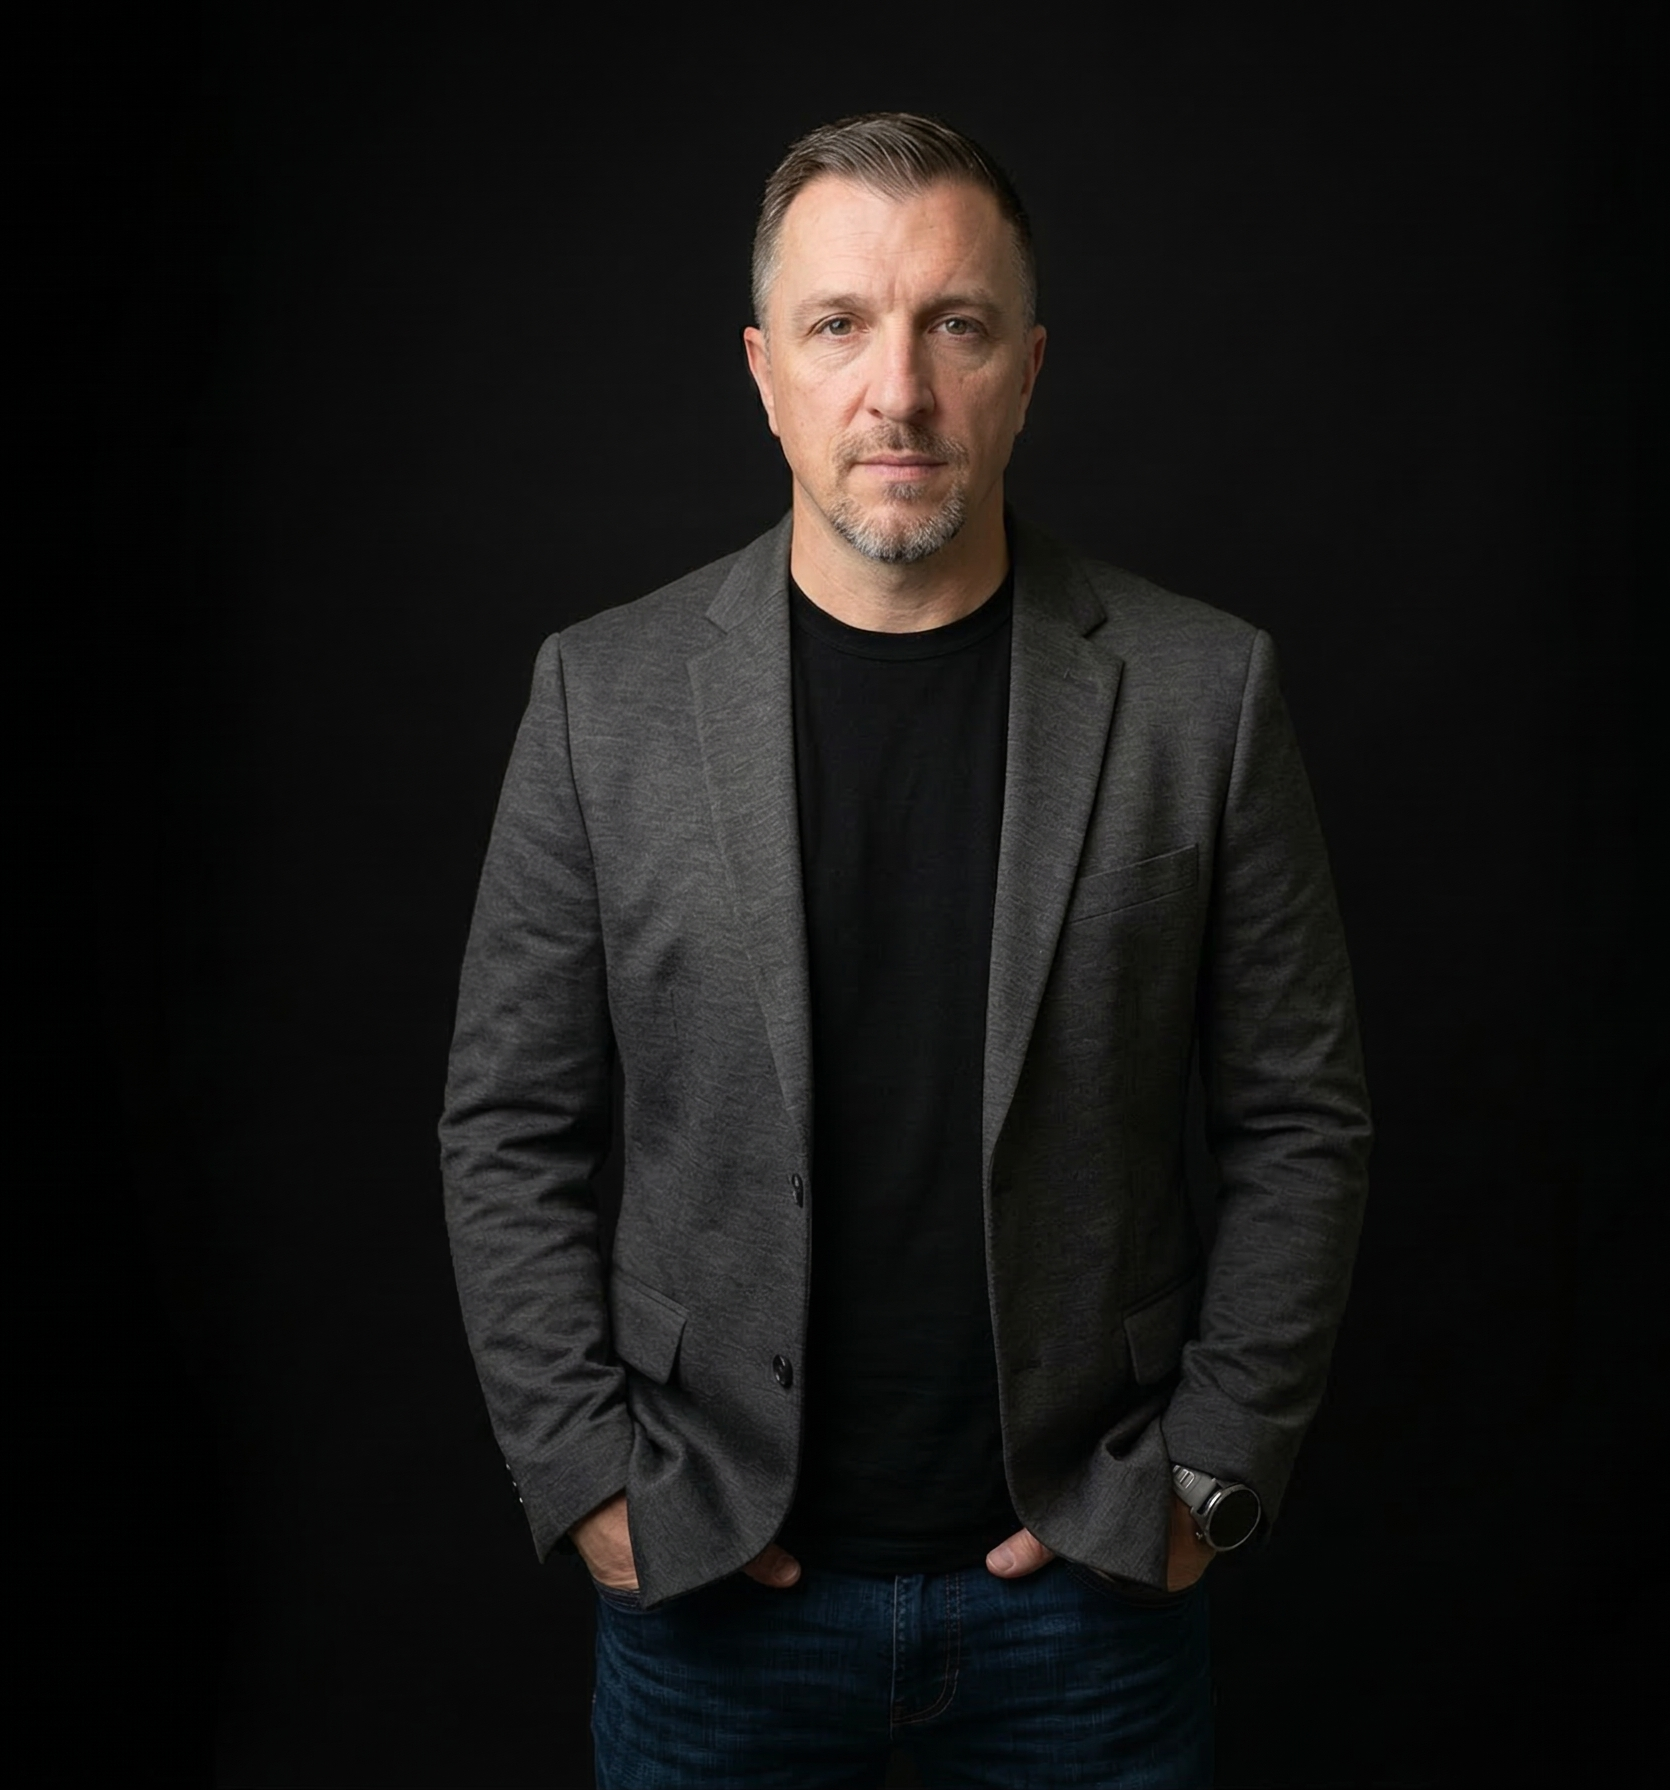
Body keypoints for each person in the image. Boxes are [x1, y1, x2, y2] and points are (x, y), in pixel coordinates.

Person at [441, 111, 1370, 1789]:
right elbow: (508, 1119)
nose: (901, 391)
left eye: (956, 324)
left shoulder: (1202, 693)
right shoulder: (602, 698)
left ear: (1029, 368)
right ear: (763, 371)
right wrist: (585, 1476)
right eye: (839, 324)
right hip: (707, 1601)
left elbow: (1301, 1116)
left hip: (1089, 1607)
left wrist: (1208, 1472)